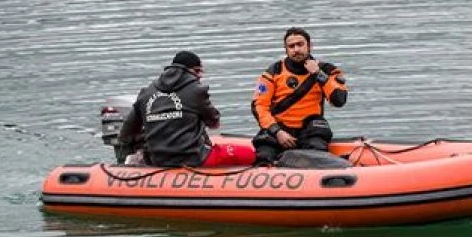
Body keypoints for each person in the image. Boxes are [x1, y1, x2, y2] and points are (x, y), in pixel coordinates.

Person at [116, 51, 255, 168]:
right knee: (249, 153)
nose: (200, 75)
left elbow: (126, 132)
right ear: (188, 70)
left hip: (157, 160)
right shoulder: (196, 91)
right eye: (197, 70)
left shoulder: (147, 93)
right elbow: (214, 123)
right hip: (194, 159)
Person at [250, 27, 349, 165]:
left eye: (300, 44)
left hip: (310, 130)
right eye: (291, 46)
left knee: (318, 155)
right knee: (264, 156)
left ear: (309, 46)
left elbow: (339, 100)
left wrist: (318, 74)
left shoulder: (328, 70)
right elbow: (259, 106)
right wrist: (277, 131)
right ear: (286, 50)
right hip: (280, 129)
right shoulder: (273, 72)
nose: (296, 49)